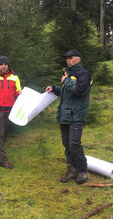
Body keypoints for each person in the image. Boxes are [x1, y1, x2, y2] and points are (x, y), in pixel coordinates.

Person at [45, 50, 92, 184]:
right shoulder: (69, 74)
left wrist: (66, 81)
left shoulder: (84, 74)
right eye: (67, 58)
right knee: (66, 143)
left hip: (77, 114)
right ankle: (71, 169)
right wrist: (54, 89)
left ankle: (83, 171)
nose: (68, 60)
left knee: (74, 143)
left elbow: (79, 91)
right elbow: (67, 92)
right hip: (65, 114)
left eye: (70, 58)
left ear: (78, 59)